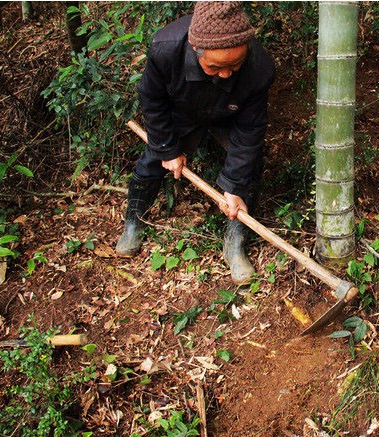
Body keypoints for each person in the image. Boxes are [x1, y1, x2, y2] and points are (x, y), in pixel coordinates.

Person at [115, 2, 275, 286]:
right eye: (216, 67)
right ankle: (133, 222)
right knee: (152, 161)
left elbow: (250, 130)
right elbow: (152, 99)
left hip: (230, 113)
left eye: (234, 65)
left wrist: (234, 186)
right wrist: (167, 148)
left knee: (248, 169)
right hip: (182, 110)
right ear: (194, 49)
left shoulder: (259, 67)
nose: (227, 74)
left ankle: (235, 241)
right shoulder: (166, 48)